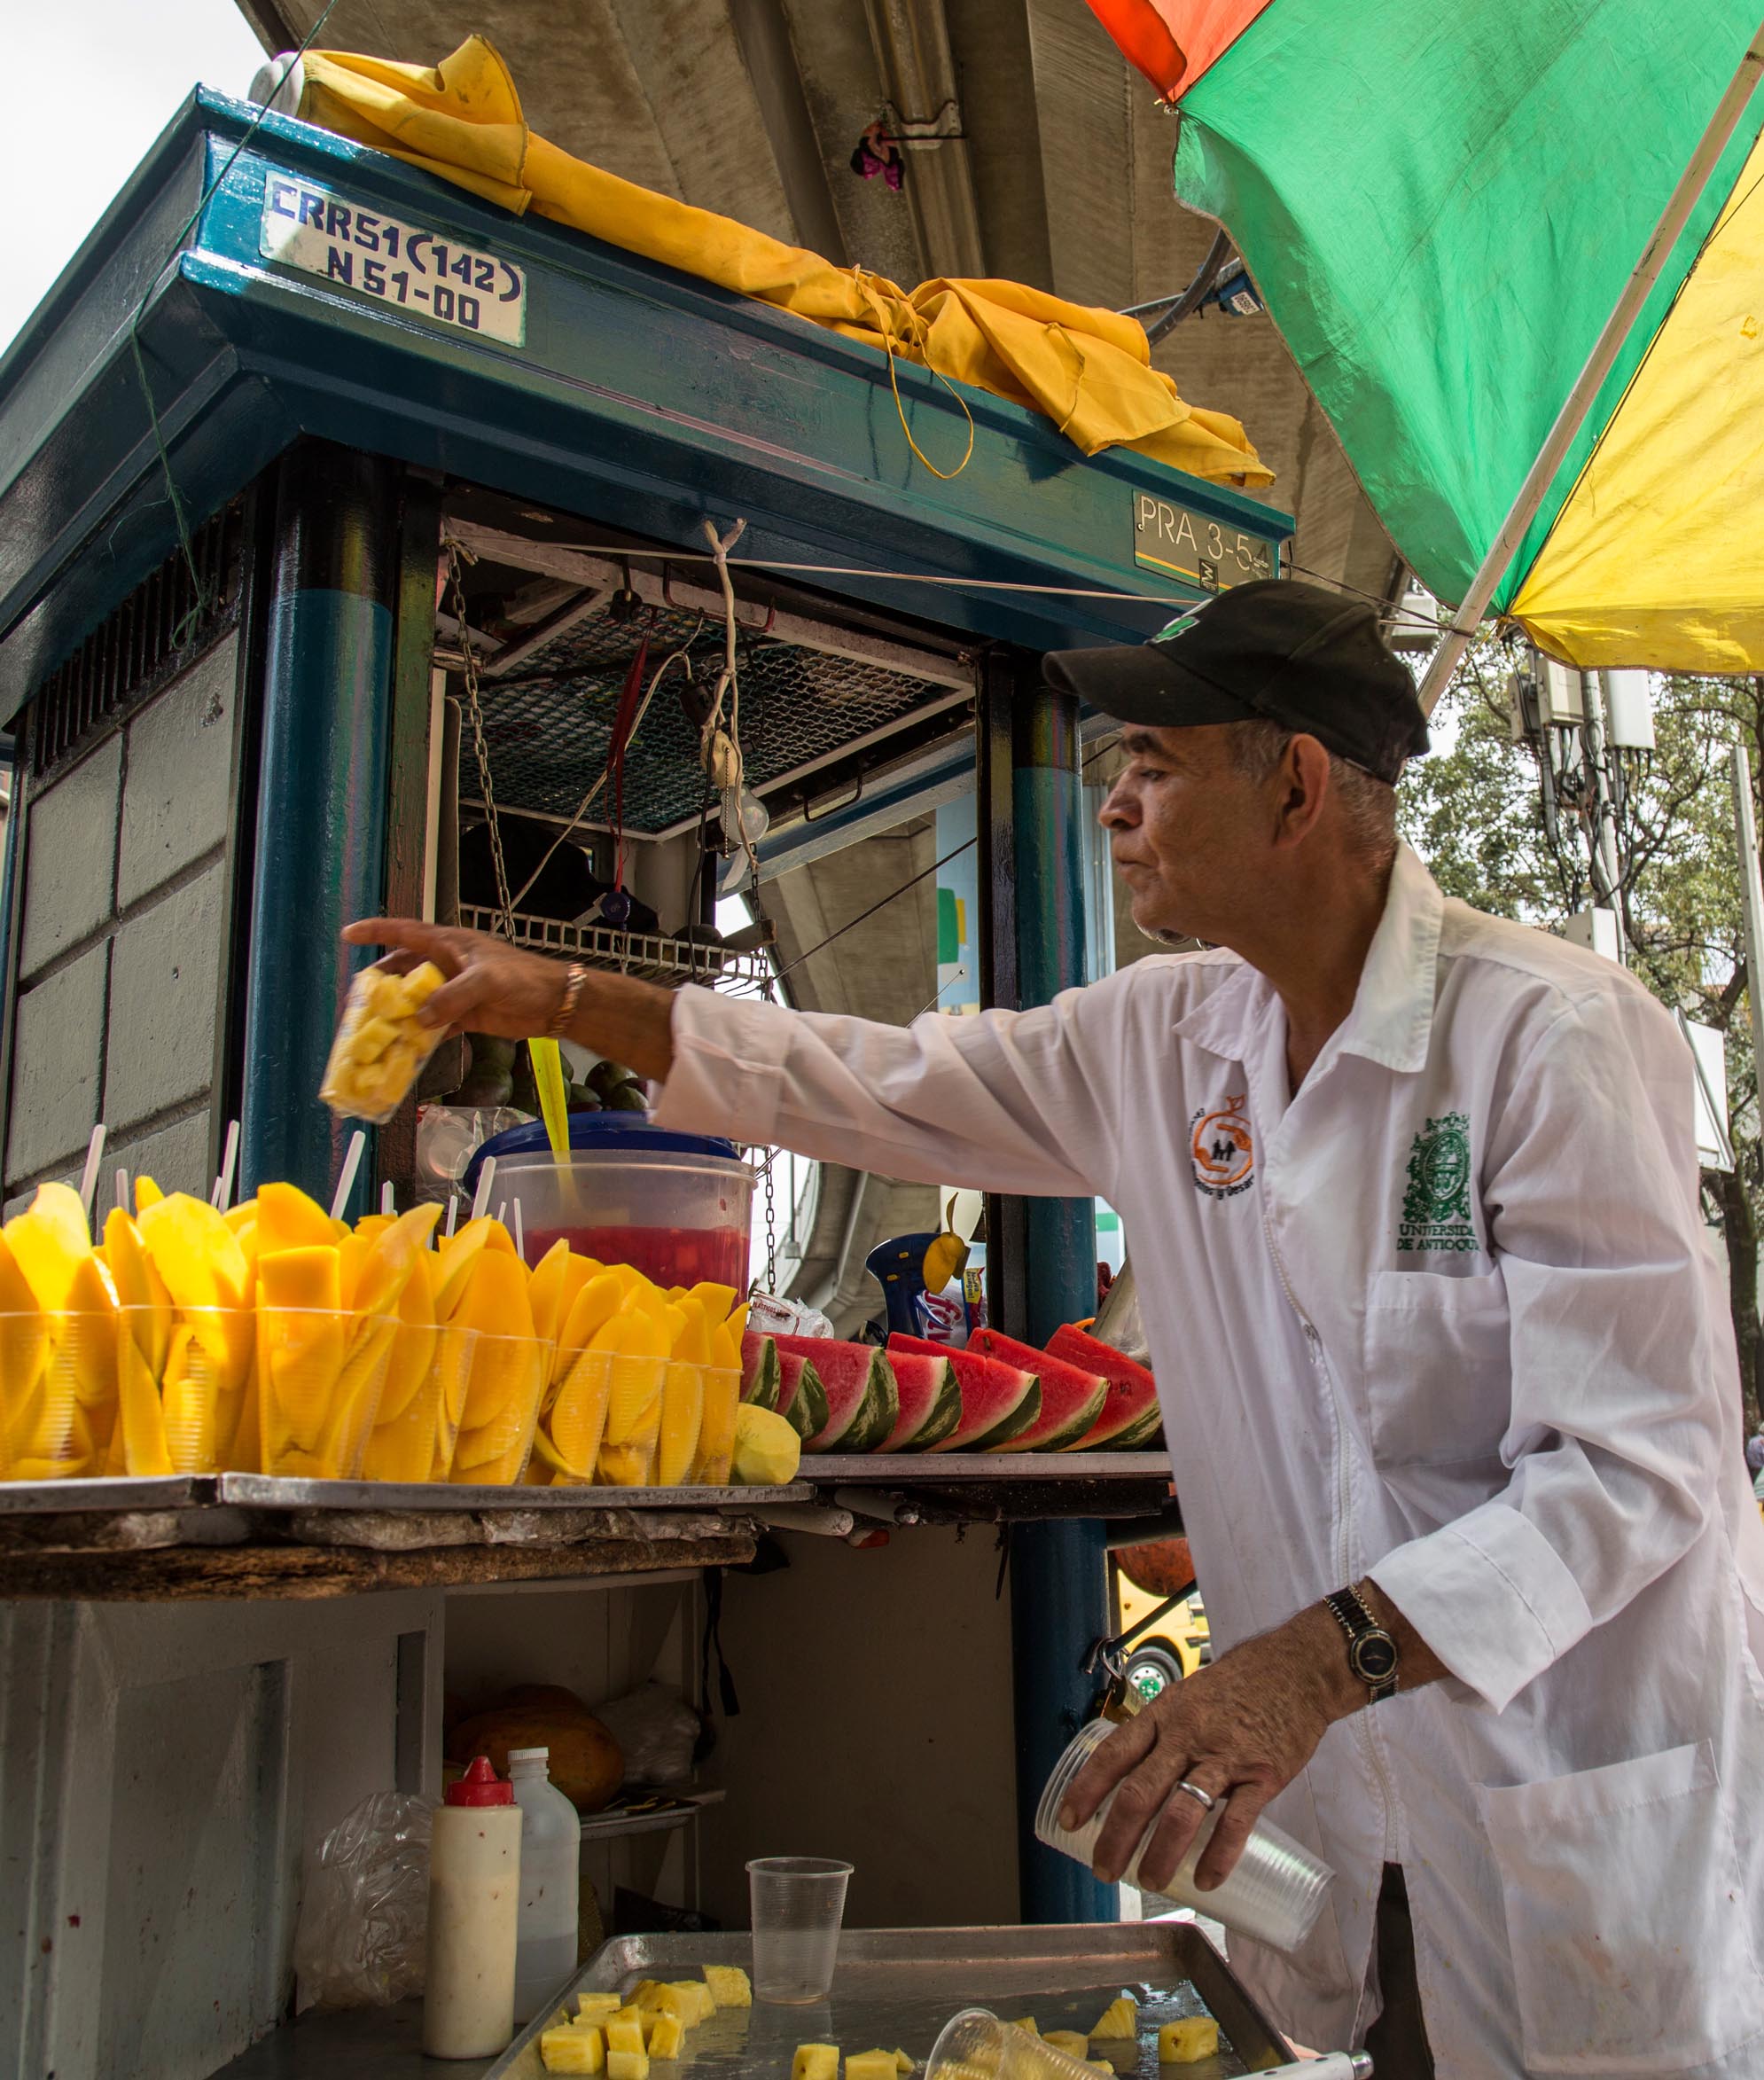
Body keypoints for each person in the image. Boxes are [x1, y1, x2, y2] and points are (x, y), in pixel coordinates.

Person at [349, 580, 1764, 2077]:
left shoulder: (1546, 1032)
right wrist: (566, 994)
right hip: (1344, 1824)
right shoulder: (1162, 1034)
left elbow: (1633, 1467)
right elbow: (870, 1077)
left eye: (1153, 764)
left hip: (1562, 1782)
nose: (1116, 807)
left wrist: (1299, 1668)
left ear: (1289, 781)